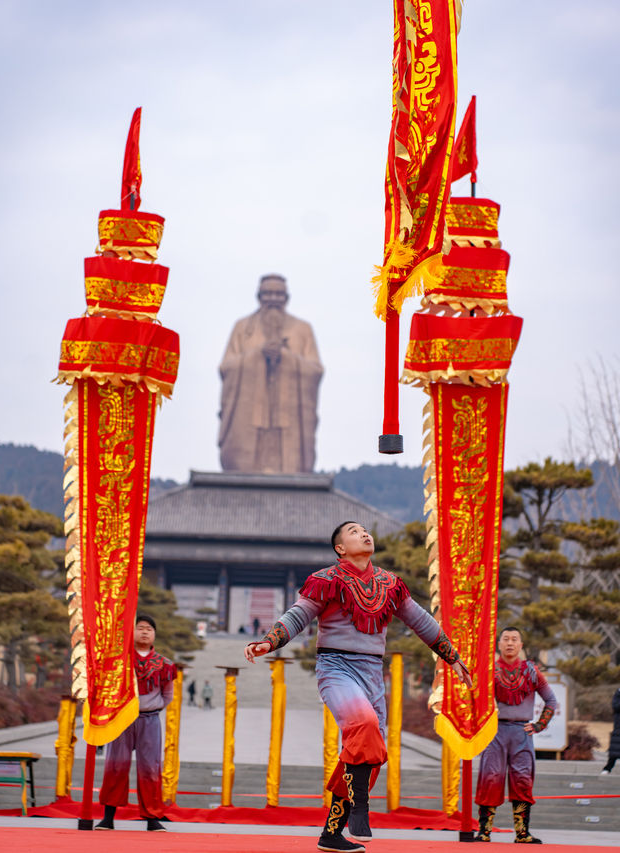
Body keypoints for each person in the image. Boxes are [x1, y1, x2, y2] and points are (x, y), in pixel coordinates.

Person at [244, 521, 472, 853]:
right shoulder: (326, 581)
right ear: (340, 548)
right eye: (354, 532)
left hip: (371, 672)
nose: (364, 534)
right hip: (336, 667)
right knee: (363, 725)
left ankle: (332, 833)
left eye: (365, 530)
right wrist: (269, 642)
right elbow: (298, 615)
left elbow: (421, 620)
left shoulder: (390, 584)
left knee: (368, 751)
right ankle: (361, 807)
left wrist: (450, 656)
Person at [218, 274, 323, 474]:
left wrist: (286, 357)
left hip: (289, 417)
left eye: (278, 294)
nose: (273, 299)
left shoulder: (302, 329)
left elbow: (315, 370)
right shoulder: (242, 328)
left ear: (286, 298)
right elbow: (227, 368)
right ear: (259, 297)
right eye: (268, 294)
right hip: (250, 415)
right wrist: (257, 354)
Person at [474, 626, 558, 844]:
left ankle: (522, 832)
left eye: (514, 639)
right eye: (506, 639)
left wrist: (539, 725)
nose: (510, 643)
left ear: (521, 645)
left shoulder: (531, 671)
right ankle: (484, 831)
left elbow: (551, 700)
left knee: (522, 780)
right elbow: (474, 698)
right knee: (490, 777)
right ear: (499, 644)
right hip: (495, 732)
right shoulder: (488, 669)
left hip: (522, 732)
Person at [95, 614, 177, 832]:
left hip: (149, 720)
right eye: (140, 628)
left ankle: (152, 819)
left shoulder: (164, 664)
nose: (144, 632)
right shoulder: (119, 661)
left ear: (154, 635)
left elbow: (168, 695)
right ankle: (108, 818)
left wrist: (153, 706)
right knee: (116, 765)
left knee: (150, 768)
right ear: (132, 632)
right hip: (122, 719)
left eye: (149, 629)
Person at [600, 687, 620, 774]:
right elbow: (616, 706)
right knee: (615, 749)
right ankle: (608, 768)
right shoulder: (618, 693)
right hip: (619, 727)